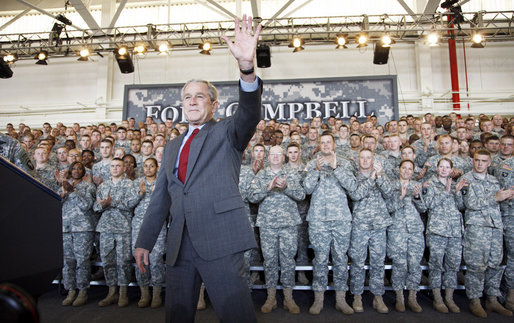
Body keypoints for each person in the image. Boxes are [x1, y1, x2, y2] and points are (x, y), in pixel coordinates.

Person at [134, 15, 262, 323]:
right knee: (177, 316)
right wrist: (144, 240)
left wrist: (246, 68)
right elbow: (160, 199)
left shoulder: (228, 133)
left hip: (220, 240)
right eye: (187, 97)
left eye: (200, 96)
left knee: (236, 315)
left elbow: (250, 112)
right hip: (179, 246)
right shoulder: (172, 147)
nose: (192, 101)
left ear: (214, 105)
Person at [248, 145, 305, 314]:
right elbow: (252, 197)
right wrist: (268, 188)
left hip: (288, 224)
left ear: (283, 157)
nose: (274, 157)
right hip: (267, 224)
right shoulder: (261, 175)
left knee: (288, 260)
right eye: (271, 154)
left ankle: (288, 298)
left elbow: (302, 195)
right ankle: (271, 297)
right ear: (268, 156)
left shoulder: (292, 174)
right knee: (270, 260)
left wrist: (286, 187)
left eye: (278, 154)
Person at [460, 149, 513, 318]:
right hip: (477, 228)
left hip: (495, 227)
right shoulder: (466, 180)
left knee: (495, 264)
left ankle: (492, 299)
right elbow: (470, 204)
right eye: (477, 160)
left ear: (489, 163)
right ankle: (475, 300)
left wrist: (507, 198)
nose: (480, 163)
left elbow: (499, 204)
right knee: (476, 265)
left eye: (483, 161)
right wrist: (495, 198)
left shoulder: (494, 181)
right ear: (473, 161)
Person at [420, 158, 465, 313]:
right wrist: (445, 192)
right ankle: (437, 298)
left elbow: (461, 207)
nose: (444, 170)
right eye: (442, 167)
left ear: (451, 169)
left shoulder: (454, 185)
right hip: (437, 231)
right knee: (436, 265)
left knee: (452, 265)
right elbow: (427, 205)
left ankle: (449, 298)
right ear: (437, 168)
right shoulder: (429, 184)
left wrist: (457, 192)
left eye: (448, 167)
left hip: (454, 232)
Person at [93, 158, 139, 307]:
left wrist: (111, 203)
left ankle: (123, 293)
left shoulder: (130, 184)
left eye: (118, 166)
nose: (114, 168)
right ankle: (112, 292)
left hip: (123, 228)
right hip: (106, 228)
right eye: (112, 166)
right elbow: (96, 207)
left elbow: (131, 204)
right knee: (107, 261)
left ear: (124, 168)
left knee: (123, 261)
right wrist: (103, 205)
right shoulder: (103, 185)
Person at [383, 160, 424, 313]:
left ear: (413, 171)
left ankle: (413, 297)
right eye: (404, 168)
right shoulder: (391, 186)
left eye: (410, 169)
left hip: (415, 230)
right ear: (399, 169)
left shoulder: (417, 186)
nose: (407, 171)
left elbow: (424, 208)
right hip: (397, 230)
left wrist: (417, 197)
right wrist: (400, 197)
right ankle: (399, 297)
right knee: (399, 265)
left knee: (414, 264)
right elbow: (386, 208)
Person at [59, 161, 96, 307]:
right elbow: (56, 203)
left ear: (84, 172)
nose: (75, 171)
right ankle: (70, 290)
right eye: (73, 168)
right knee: (68, 262)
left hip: (83, 229)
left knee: (82, 261)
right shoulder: (64, 185)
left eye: (79, 168)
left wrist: (73, 192)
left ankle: (82, 291)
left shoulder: (89, 187)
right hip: (66, 228)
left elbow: (87, 206)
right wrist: (62, 194)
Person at [132, 158, 166, 308]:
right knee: (140, 260)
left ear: (157, 168)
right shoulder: (136, 183)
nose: (148, 169)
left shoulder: (162, 183)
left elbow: (168, 204)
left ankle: (157, 293)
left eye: (152, 166)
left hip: (158, 226)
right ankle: (144, 293)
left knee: (156, 259)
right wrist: (140, 193)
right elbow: (127, 204)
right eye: (146, 166)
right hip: (139, 226)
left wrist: (156, 194)